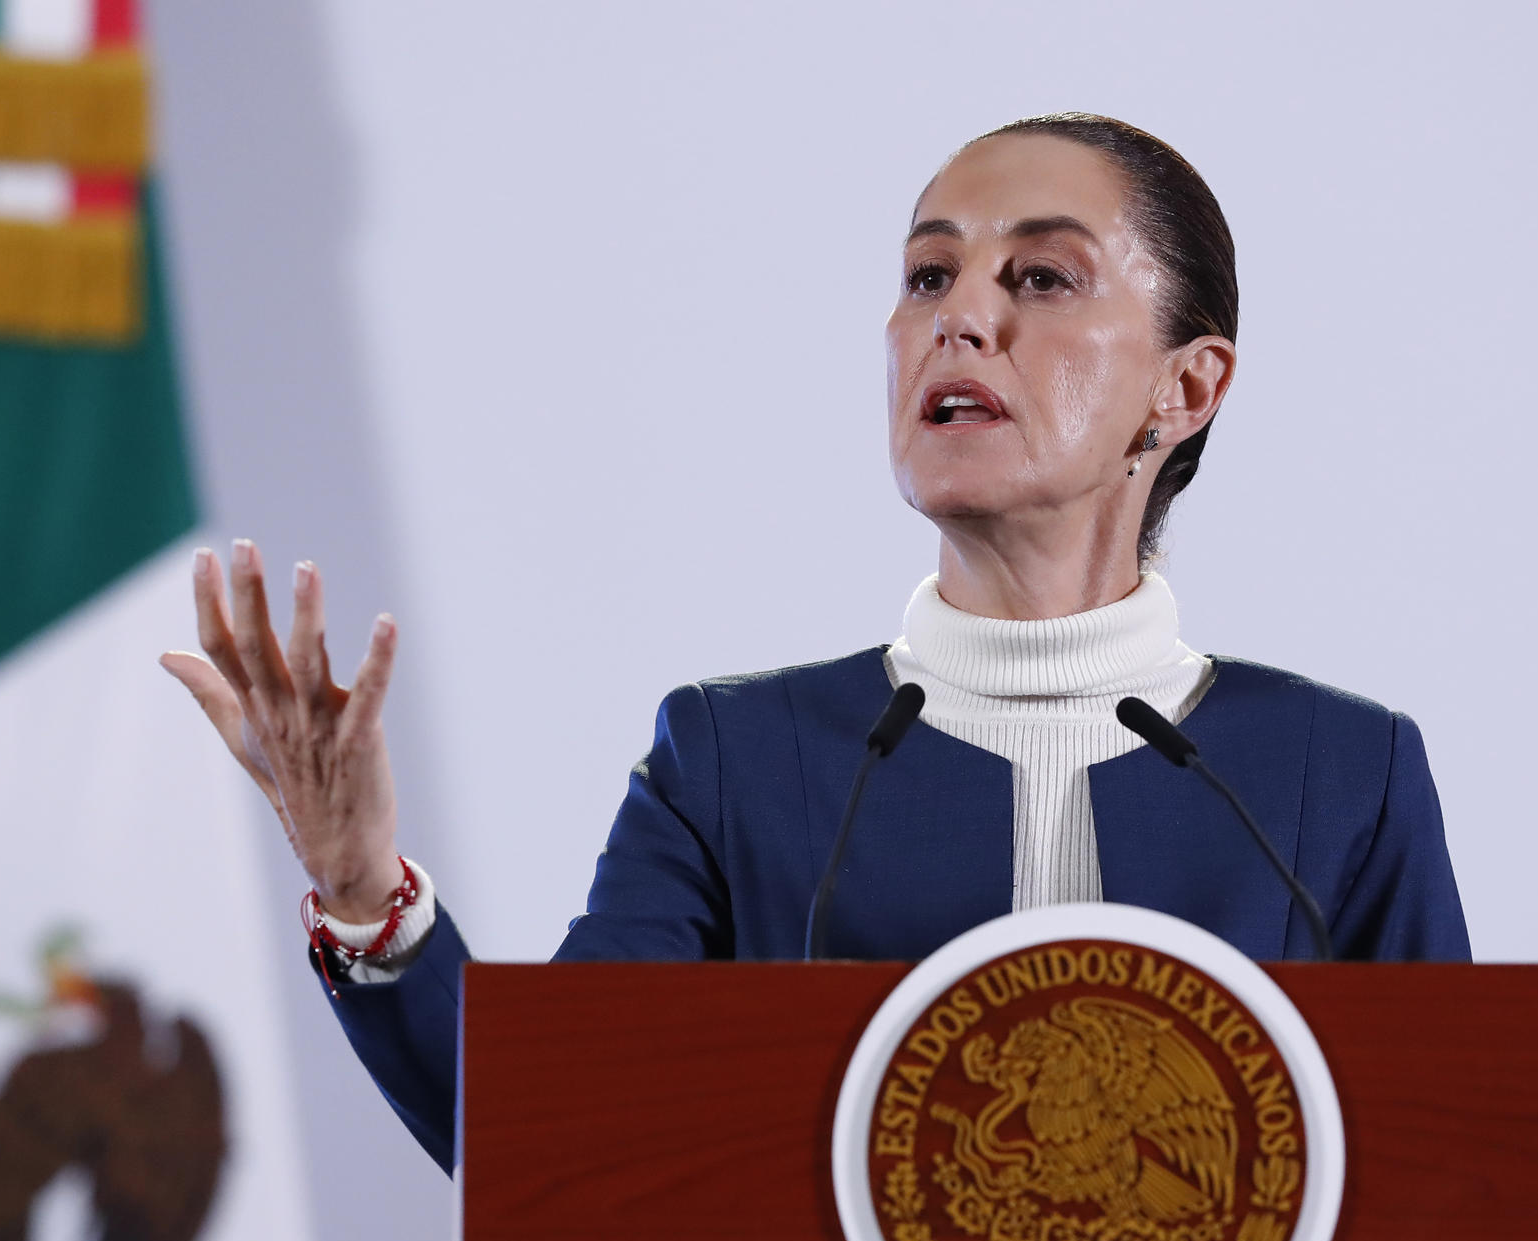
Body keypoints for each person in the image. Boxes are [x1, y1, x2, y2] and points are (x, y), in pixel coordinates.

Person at [160, 114, 1469, 1175]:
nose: (959, 318)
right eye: (927, 276)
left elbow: (1468, 1192)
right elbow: (544, 1144)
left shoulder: (1332, 780)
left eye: (1041, 278)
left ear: (1185, 389)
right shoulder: (739, 764)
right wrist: (355, 884)